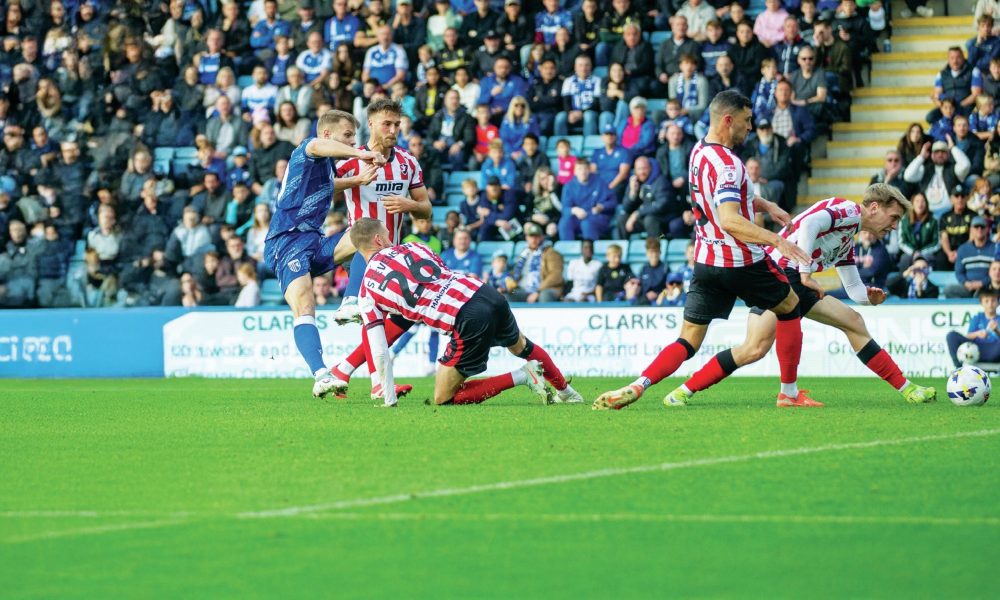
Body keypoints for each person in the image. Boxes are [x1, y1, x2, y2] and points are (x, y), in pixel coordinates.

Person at [594, 90, 810, 410]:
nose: (750, 127)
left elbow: (721, 198)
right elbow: (729, 219)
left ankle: (640, 385)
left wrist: (765, 204)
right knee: (790, 306)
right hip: (741, 262)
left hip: (705, 262)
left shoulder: (698, 151)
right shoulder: (729, 164)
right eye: (746, 121)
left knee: (688, 340)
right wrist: (777, 239)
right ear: (728, 120)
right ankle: (789, 394)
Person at [666, 185, 937, 407]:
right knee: (756, 347)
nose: (895, 225)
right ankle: (788, 394)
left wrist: (869, 298)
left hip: (789, 275)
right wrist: (806, 273)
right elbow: (809, 224)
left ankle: (684, 391)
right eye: (894, 217)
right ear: (875, 207)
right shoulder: (850, 210)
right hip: (781, 273)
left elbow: (853, 287)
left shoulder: (847, 238)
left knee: (758, 347)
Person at [349, 217, 583, 406]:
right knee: (521, 345)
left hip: (463, 317)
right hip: (484, 292)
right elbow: (441, 276)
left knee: (443, 397)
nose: (392, 240)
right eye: (389, 236)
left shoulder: (367, 291)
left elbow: (379, 349)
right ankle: (567, 391)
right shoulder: (415, 247)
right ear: (378, 239)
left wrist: (389, 398)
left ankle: (523, 376)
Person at [261, 110, 385, 398]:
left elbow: (328, 186)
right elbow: (316, 146)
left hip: (314, 242)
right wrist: (361, 155)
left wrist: (356, 181)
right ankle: (321, 375)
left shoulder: (327, 167)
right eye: (348, 136)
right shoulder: (308, 149)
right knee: (305, 305)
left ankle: (350, 302)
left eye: (355, 137)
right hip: (286, 242)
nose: (353, 141)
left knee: (366, 231)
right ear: (328, 135)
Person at [946, 288, 1000, 368]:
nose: (990, 304)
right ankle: (959, 368)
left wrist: (997, 331)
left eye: (993, 301)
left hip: (995, 350)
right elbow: (967, 337)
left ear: (998, 303)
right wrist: (977, 334)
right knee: (951, 336)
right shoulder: (977, 318)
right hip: (976, 349)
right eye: (987, 301)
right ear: (981, 303)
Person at [944, 216, 996, 298]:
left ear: (987, 229)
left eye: (982, 227)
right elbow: (959, 272)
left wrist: (982, 283)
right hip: (967, 287)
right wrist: (966, 283)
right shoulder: (963, 249)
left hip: (988, 287)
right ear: (971, 230)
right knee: (948, 290)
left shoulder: (995, 248)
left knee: (984, 293)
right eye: (976, 227)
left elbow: (997, 272)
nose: (979, 229)